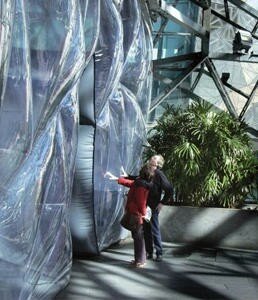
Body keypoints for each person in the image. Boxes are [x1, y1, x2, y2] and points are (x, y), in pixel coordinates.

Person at [117, 164, 154, 268]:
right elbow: (130, 183)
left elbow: (141, 202)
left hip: (137, 214)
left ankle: (141, 260)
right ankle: (139, 259)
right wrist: (118, 179)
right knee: (137, 237)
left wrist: (143, 214)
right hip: (136, 213)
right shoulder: (141, 183)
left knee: (138, 237)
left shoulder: (140, 184)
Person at [144, 154, 174, 262]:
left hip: (153, 207)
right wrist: (127, 176)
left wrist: (162, 203)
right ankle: (149, 252)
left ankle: (159, 253)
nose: (152, 158)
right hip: (144, 206)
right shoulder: (147, 172)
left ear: (158, 164)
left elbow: (170, 190)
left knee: (154, 230)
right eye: (152, 157)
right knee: (146, 230)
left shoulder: (159, 174)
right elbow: (137, 179)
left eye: (155, 158)